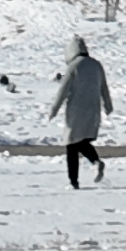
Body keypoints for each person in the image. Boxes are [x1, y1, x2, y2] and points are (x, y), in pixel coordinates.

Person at [49, 33, 110, 187]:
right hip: (93, 109)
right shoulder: (96, 65)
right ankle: (95, 162)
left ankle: (74, 181)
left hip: (76, 110)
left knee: (72, 144)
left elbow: (63, 90)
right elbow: (104, 87)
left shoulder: (73, 66)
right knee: (82, 142)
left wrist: (54, 110)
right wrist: (108, 105)